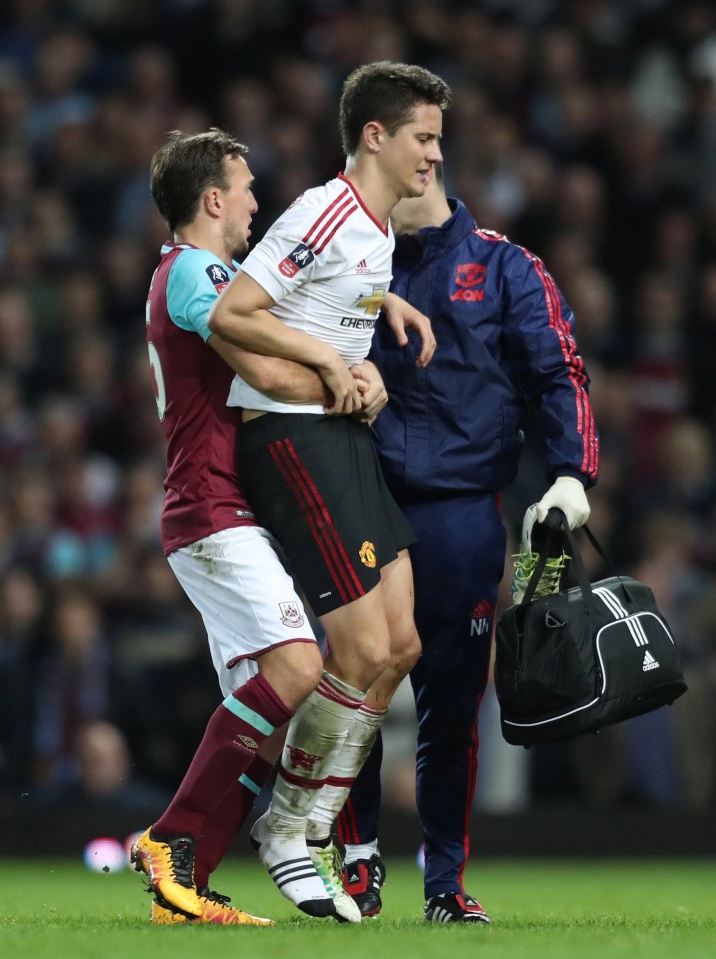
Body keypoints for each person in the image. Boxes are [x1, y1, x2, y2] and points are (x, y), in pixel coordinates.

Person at [208, 61, 452, 919]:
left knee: (400, 645)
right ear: (376, 136)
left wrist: (383, 313)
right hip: (290, 435)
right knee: (355, 649)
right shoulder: (324, 210)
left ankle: (305, 822)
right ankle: (287, 829)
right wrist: (329, 366)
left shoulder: (375, 229)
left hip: (340, 432)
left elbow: (329, 297)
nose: (435, 155)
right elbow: (233, 312)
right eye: (423, 137)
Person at [131, 128, 391, 926]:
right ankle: (170, 838)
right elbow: (264, 367)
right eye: (245, 188)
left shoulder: (203, 274)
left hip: (219, 508)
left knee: (266, 719)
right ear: (212, 199)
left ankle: (187, 885)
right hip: (209, 507)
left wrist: (376, 318)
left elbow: (299, 315)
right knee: (297, 665)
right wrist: (337, 384)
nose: (255, 202)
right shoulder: (193, 274)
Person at [336, 164, 599, 923]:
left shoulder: (505, 264)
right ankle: (357, 864)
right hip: (364, 498)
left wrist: (571, 474)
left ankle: (443, 881)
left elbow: (559, 371)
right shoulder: (347, 257)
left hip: (461, 510)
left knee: (451, 707)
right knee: (358, 685)